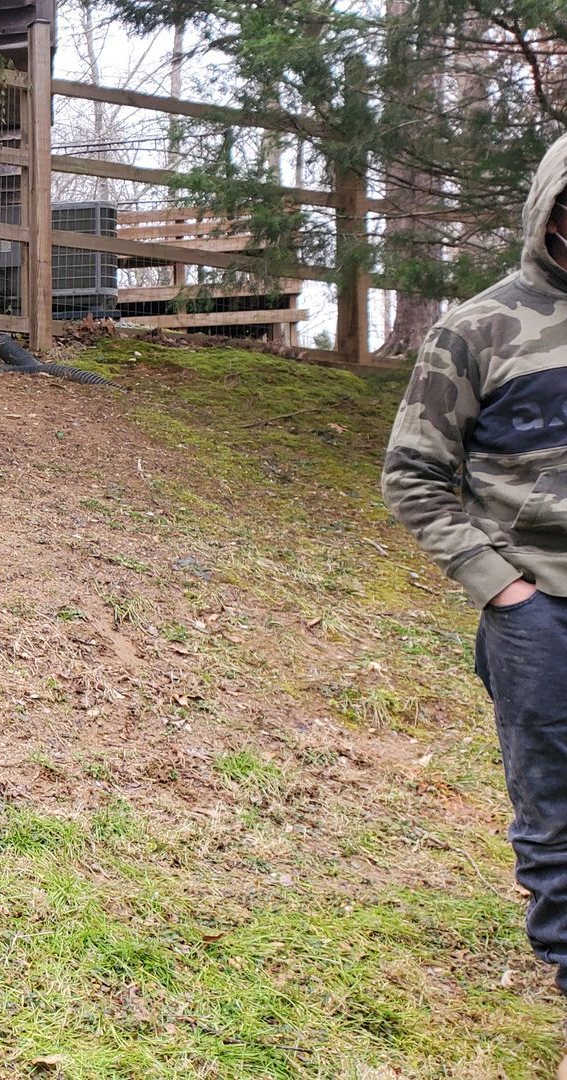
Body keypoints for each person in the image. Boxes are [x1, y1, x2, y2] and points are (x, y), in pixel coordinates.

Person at [382, 130, 567, 1071]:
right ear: (549, 208)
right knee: (551, 785)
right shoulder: (479, 327)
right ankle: (564, 951)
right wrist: (505, 589)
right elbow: (413, 475)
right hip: (538, 608)